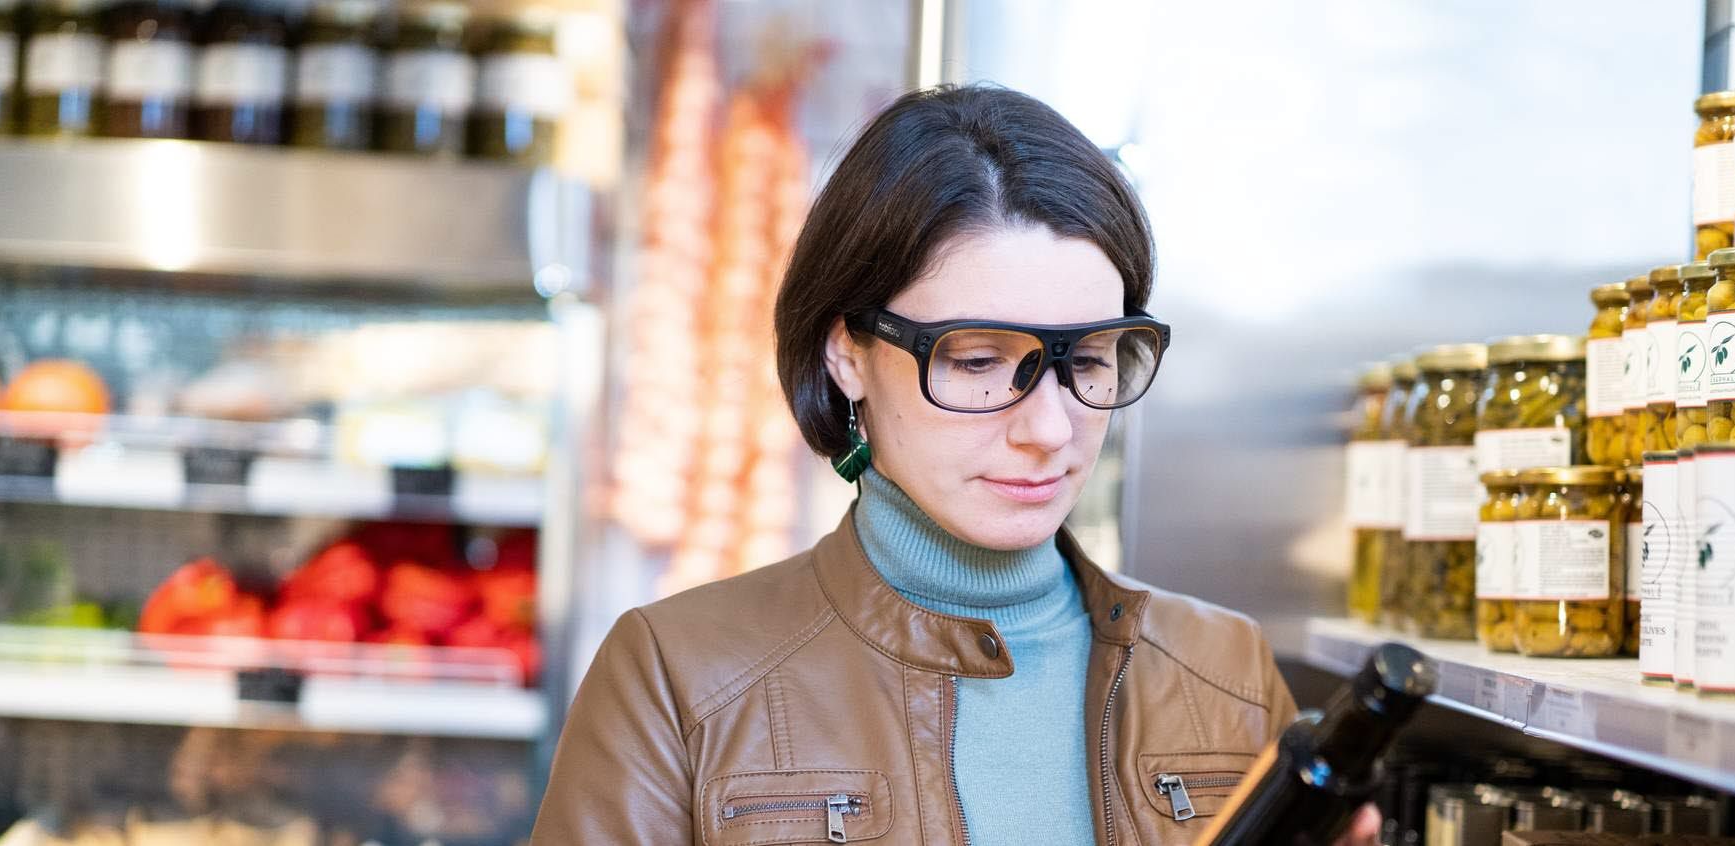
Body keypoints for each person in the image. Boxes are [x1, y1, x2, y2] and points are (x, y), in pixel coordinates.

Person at [531, 84, 1379, 845]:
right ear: (848, 355)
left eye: (1088, 361)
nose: (1050, 427)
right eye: (976, 361)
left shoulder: (1225, 669)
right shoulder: (678, 676)